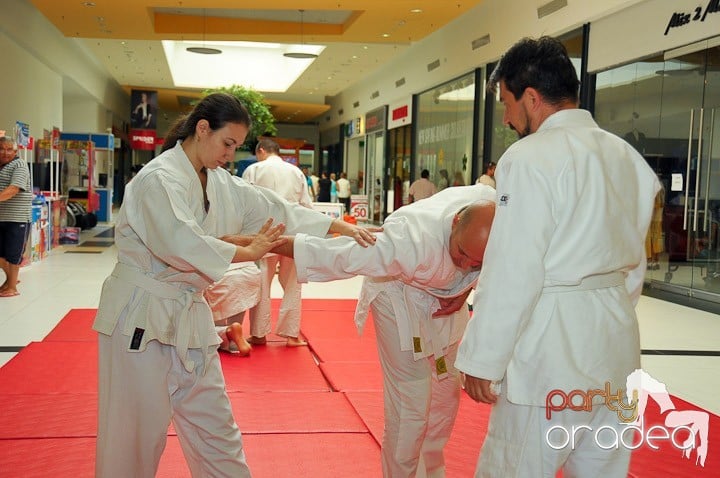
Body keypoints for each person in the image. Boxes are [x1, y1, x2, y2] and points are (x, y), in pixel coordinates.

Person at [92, 93, 378, 477]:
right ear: (202, 129)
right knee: (133, 440)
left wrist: (336, 225)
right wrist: (246, 250)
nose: (230, 154)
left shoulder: (221, 183)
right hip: (141, 318)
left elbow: (273, 207)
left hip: (191, 316)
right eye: (227, 144)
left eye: (237, 147)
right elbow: (179, 243)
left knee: (218, 433)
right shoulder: (157, 180)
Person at [455, 37, 660, 477]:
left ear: (530, 97)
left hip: (549, 358)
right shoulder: (627, 157)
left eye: (507, 103)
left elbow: (514, 267)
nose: (507, 119)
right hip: (616, 348)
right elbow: (633, 268)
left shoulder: (529, 158)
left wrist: (482, 359)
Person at [276, 184, 497, 477]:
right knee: (412, 405)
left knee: (445, 398)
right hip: (397, 297)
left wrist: (467, 285)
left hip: (446, 303)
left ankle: (432, 472)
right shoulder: (408, 238)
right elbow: (339, 255)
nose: (466, 263)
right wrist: (266, 245)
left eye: (477, 263)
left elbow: (506, 271)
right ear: (455, 222)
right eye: (462, 253)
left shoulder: (503, 213)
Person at [242, 138, 314, 347]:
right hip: (293, 231)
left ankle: (258, 334)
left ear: (261, 151)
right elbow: (305, 206)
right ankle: (291, 335)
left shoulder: (254, 170)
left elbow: (245, 203)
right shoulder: (296, 172)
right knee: (293, 282)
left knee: (262, 282)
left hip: (264, 231)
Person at [204, 261, 262, 356]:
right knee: (238, 303)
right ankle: (233, 339)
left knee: (212, 327)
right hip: (248, 272)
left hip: (219, 274)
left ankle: (225, 332)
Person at [0, 136, 32, 298]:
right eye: (1, 149)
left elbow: (13, 189)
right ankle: (10, 281)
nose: (5, 152)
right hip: (1, 217)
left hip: (17, 218)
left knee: (13, 255)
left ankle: (12, 287)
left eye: (9, 149)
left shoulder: (19, 165)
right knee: (1, 255)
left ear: (15, 151)